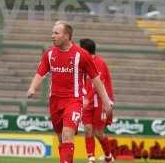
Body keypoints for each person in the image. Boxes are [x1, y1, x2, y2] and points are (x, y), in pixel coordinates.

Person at [27, 21, 113, 163]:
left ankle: (97, 156)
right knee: (62, 140)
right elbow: (41, 72)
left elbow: (96, 79)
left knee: (68, 135)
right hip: (54, 101)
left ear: (67, 36)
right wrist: (32, 87)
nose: (52, 36)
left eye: (56, 33)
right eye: (52, 32)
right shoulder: (49, 54)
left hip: (73, 101)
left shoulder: (81, 55)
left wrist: (105, 100)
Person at [80, 38, 115, 163]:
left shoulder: (99, 62)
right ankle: (91, 157)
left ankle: (108, 156)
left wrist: (87, 99)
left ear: (84, 50)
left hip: (100, 102)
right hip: (87, 102)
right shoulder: (82, 62)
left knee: (98, 132)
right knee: (88, 129)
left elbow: (97, 84)